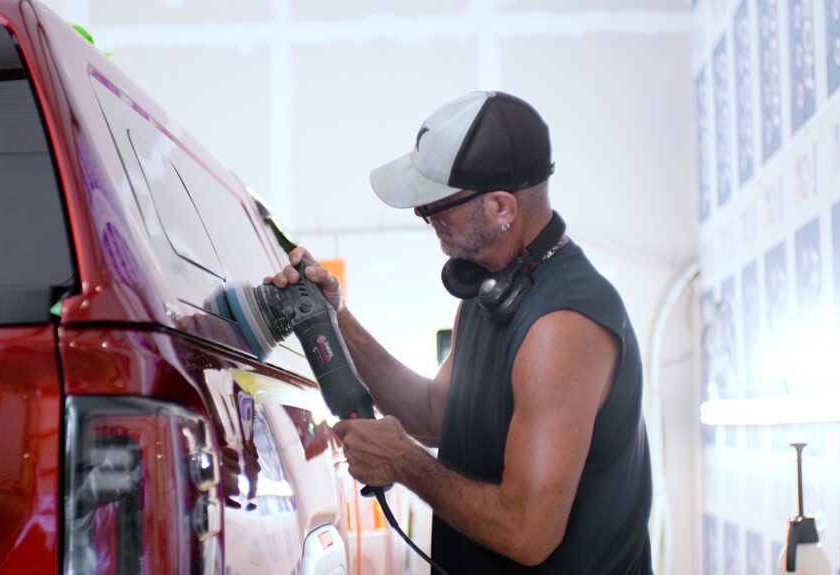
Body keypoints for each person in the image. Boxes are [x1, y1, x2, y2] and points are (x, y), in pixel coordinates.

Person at [266, 91, 653, 573]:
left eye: (435, 205)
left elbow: (526, 532)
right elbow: (432, 415)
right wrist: (337, 315)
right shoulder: (488, 292)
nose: (424, 217)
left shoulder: (563, 323)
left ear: (501, 207)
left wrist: (405, 463)